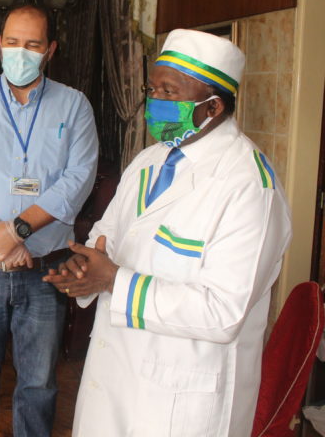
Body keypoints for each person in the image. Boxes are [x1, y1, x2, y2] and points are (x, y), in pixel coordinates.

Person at [46, 29, 292, 436]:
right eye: (152, 89)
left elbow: (224, 313)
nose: (154, 101)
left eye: (169, 92)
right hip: (115, 375)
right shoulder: (149, 160)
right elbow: (108, 235)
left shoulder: (249, 186)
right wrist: (84, 267)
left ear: (212, 106)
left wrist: (114, 280)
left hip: (181, 399)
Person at [0, 4, 99, 437]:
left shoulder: (74, 105)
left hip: (45, 269)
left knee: (40, 382)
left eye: (32, 44)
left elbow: (78, 179)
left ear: (50, 50)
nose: (20, 52)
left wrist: (18, 230)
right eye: (12, 42)